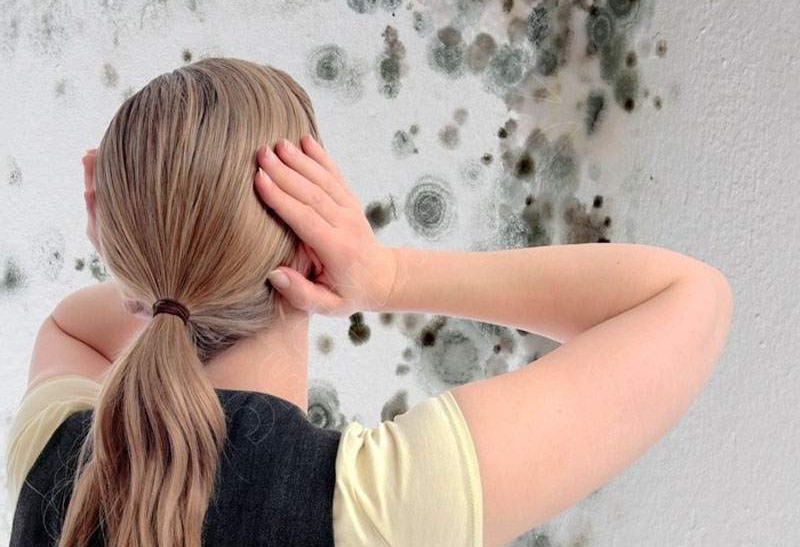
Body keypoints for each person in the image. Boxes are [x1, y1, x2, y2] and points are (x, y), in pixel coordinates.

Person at [4, 57, 733, 547]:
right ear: (315, 245)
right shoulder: (370, 506)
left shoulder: (54, 456)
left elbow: (85, 324)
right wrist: (385, 276)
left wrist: (153, 260)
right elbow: (689, 298)